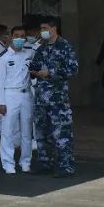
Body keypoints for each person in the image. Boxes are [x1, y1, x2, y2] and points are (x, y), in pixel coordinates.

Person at [30, 18, 79, 177]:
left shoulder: (65, 47)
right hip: (41, 98)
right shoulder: (41, 48)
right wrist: (34, 71)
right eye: (41, 28)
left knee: (62, 134)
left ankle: (66, 167)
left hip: (58, 99)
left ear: (53, 28)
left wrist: (50, 73)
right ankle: (46, 163)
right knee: (42, 133)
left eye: (45, 28)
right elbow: (34, 65)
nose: (42, 31)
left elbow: (73, 69)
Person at [0, 28, 35, 174]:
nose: (20, 39)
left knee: (26, 131)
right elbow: (0, 81)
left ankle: (25, 162)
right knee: (8, 131)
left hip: (26, 95)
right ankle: (8, 163)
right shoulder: (3, 57)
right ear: (11, 37)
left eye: (22, 36)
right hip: (9, 94)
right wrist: (1, 102)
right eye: (17, 36)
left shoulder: (29, 53)